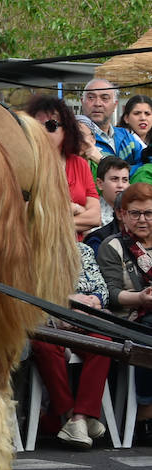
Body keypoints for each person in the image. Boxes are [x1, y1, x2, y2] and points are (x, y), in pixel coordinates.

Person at [34, 241, 111, 448]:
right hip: (47, 320)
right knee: (45, 347)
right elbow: (27, 292)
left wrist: (92, 302)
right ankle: (74, 417)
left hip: (84, 317)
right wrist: (65, 304)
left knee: (104, 344)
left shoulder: (82, 250)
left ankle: (80, 417)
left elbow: (102, 289)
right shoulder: (28, 248)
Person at [95, 181, 152, 447]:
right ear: (123, 215)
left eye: (149, 213)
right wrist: (141, 298)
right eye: (136, 213)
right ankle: (145, 412)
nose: (143, 220)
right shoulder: (113, 246)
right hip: (127, 318)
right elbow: (113, 294)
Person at [25, 96, 101, 238]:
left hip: (75, 250)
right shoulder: (25, 165)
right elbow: (25, 215)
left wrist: (53, 221)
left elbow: (94, 218)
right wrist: (74, 210)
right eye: (36, 126)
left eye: (51, 125)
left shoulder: (80, 164)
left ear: (67, 129)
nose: (42, 132)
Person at [81, 78, 143, 163]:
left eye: (105, 98)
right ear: (82, 102)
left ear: (115, 105)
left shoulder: (125, 136)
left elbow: (146, 162)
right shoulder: (77, 139)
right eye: (91, 97)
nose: (98, 103)